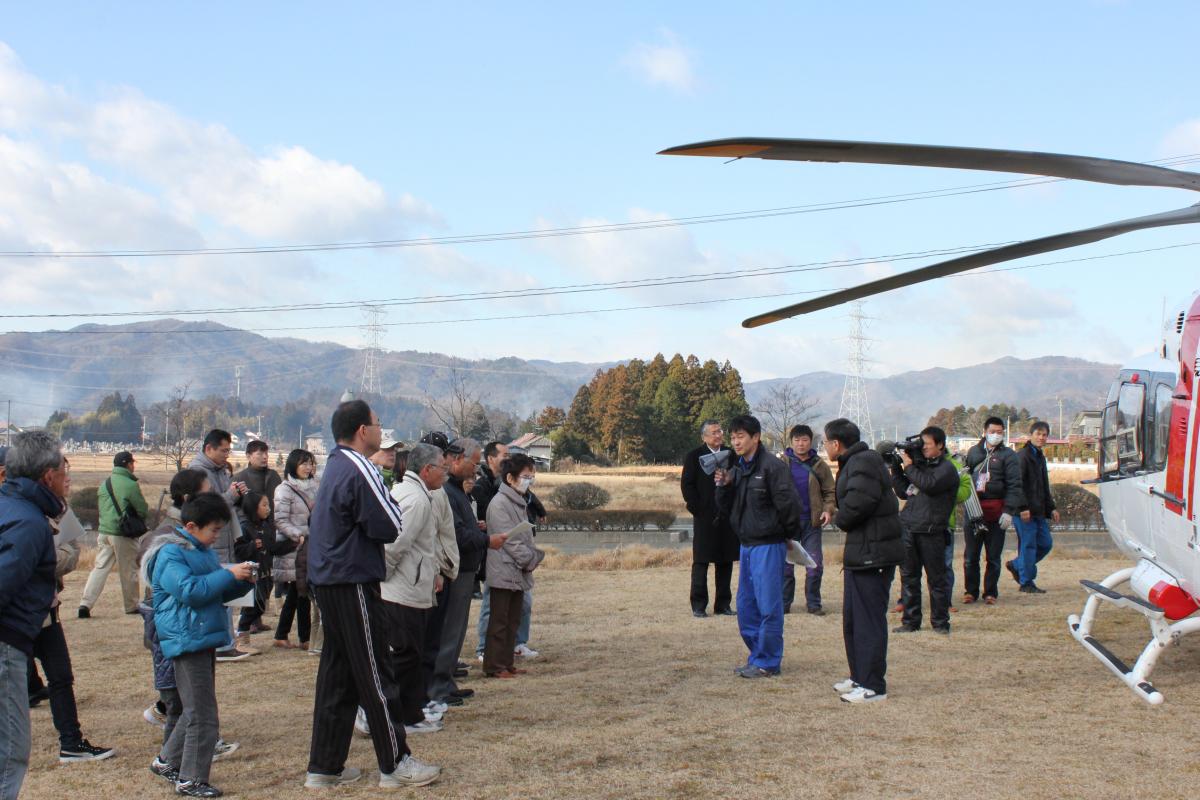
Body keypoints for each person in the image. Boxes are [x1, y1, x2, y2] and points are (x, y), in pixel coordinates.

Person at [304, 399, 441, 789]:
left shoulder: (334, 464)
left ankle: (324, 767)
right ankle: (395, 763)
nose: (382, 431)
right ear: (363, 430)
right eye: (379, 424)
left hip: (329, 580)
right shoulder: (361, 466)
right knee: (377, 671)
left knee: (338, 674)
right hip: (353, 580)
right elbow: (389, 522)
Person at [144, 493, 257, 798]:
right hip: (186, 639)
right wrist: (226, 574)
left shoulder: (202, 551)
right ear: (191, 526)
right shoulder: (169, 555)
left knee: (196, 709)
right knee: (203, 714)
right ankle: (191, 778)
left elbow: (213, 591)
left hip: (202, 636)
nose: (217, 536)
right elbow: (191, 592)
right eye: (214, 530)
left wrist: (243, 579)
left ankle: (166, 761)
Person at [0, 432, 68, 799]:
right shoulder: (28, 523)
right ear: (46, 476)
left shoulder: (7, 504)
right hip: (6, 641)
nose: (67, 479)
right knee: (10, 752)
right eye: (63, 470)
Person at [714, 415, 803, 679]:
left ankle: (768, 661)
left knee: (768, 606)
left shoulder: (772, 467)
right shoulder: (738, 469)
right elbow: (726, 507)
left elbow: (790, 506)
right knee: (746, 606)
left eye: (741, 436)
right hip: (747, 544)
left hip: (768, 544)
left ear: (756, 438)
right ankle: (757, 656)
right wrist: (724, 486)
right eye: (733, 437)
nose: (735, 441)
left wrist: (788, 536)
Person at [824, 418, 904, 703]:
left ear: (836, 443)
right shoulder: (854, 461)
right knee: (854, 619)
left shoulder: (863, 462)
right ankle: (858, 675)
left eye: (825, 442)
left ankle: (873, 686)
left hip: (875, 554)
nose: (825, 447)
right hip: (863, 553)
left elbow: (859, 502)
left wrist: (838, 518)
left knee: (869, 621)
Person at [429, 438, 505, 706]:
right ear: (456, 459)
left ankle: (446, 681)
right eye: (474, 463)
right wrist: (485, 540)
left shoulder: (457, 490)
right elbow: (456, 535)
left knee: (457, 631)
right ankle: (438, 686)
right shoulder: (446, 492)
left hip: (465, 568)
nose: (476, 470)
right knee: (449, 631)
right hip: (455, 570)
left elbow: (461, 528)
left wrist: (477, 529)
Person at [384, 443, 448, 735]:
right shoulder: (416, 500)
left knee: (409, 653)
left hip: (411, 583)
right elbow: (394, 545)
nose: (446, 474)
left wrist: (433, 571)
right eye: (442, 468)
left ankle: (411, 712)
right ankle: (403, 716)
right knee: (405, 655)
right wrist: (382, 576)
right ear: (426, 470)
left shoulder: (416, 493)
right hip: (402, 589)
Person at [189, 430, 255, 660]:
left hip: (225, 537)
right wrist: (231, 495)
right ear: (209, 449)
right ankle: (222, 645)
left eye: (228, 450)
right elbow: (208, 506)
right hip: (212, 540)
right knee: (218, 588)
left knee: (226, 591)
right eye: (224, 450)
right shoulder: (198, 472)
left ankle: (226, 642)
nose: (227, 455)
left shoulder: (220, 470)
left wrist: (236, 495)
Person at [890, 427, 960, 635]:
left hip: (932, 530)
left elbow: (929, 485)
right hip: (910, 527)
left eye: (926, 444)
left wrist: (909, 466)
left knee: (936, 579)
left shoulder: (946, 469)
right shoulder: (920, 466)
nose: (923, 449)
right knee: (909, 577)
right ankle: (910, 621)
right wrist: (896, 470)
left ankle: (940, 622)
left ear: (940, 444)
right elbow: (904, 491)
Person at [482, 454, 545, 678]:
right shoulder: (500, 504)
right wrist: (530, 560)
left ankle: (506, 662)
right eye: (526, 477)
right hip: (504, 568)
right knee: (499, 621)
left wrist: (530, 559)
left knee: (512, 620)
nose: (529, 481)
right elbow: (510, 541)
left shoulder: (518, 500)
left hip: (516, 570)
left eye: (531, 477)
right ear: (510, 478)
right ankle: (494, 665)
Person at [415, 433, 460, 716]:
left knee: (435, 639)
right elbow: (424, 539)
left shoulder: (437, 490)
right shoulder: (422, 495)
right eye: (444, 460)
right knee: (425, 642)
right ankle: (425, 695)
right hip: (431, 573)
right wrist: (436, 570)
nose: (448, 465)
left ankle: (432, 692)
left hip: (440, 569)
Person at [679, 420, 739, 617]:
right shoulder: (694, 456)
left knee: (726, 561)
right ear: (704, 437)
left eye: (720, 431)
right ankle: (698, 605)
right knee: (701, 561)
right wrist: (698, 508)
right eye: (713, 432)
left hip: (727, 516)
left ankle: (723, 604)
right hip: (704, 517)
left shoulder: (732, 455)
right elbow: (687, 485)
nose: (718, 435)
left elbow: (739, 480)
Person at [79, 450, 148, 617]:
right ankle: (131, 605)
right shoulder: (130, 485)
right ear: (128, 464)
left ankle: (85, 603)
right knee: (128, 569)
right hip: (122, 533)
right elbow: (142, 508)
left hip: (104, 532)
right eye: (133, 463)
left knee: (100, 568)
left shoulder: (105, 484)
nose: (133, 466)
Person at [963, 418, 1024, 605]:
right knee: (971, 555)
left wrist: (1009, 511)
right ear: (985, 431)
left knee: (994, 556)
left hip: (997, 510)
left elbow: (1015, 485)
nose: (996, 435)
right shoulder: (973, 452)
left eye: (1000, 431)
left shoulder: (1009, 456)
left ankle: (990, 592)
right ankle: (970, 591)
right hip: (974, 509)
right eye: (993, 431)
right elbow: (965, 478)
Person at [782, 425, 836, 615]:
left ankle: (814, 603)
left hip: (812, 522)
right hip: (787, 523)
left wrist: (828, 510)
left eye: (804, 440)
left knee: (815, 564)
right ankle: (784, 603)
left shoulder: (819, 465)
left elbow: (830, 492)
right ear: (791, 442)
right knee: (786, 567)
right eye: (796, 440)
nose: (800, 444)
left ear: (810, 441)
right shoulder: (782, 463)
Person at [273, 449, 317, 650]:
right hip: (295, 546)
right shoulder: (284, 489)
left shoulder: (315, 486)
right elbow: (280, 520)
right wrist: (298, 534)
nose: (308, 468)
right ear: (293, 465)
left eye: (310, 463)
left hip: (309, 545)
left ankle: (283, 635)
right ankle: (304, 637)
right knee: (300, 592)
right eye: (304, 464)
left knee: (296, 591)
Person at [1009, 421, 1060, 594]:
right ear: (1031, 435)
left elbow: (1044, 485)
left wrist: (1051, 508)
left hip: (1038, 510)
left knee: (1045, 544)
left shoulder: (1040, 456)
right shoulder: (1022, 456)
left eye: (1044, 434)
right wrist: (1022, 507)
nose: (1041, 437)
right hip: (1024, 512)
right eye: (1038, 433)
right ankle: (1026, 582)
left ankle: (1017, 565)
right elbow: (1016, 484)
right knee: (1028, 545)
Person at [233, 492, 275, 648]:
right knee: (253, 605)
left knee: (261, 606)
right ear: (253, 508)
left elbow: (272, 546)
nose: (268, 508)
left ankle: (244, 629)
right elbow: (238, 551)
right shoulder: (244, 528)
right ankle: (242, 638)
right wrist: (252, 546)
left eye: (268, 505)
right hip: (251, 574)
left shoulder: (266, 526)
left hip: (266, 571)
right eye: (264, 505)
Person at [232, 440, 282, 513]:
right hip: (249, 522)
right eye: (260, 454)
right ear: (248, 456)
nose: (265, 457)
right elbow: (234, 507)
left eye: (266, 453)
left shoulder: (274, 475)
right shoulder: (239, 479)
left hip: (273, 521)